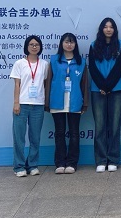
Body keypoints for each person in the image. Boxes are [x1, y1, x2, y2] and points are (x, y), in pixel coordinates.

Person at [88, 17, 121, 173]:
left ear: (115, 29)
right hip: (98, 89)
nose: (108, 29)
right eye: (105, 27)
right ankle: (100, 159)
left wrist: (109, 85)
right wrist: (102, 85)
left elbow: (120, 66)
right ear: (101, 29)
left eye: (111, 27)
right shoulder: (93, 45)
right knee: (100, 126)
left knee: (115, 126)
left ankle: (113, 159)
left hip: (116, 88)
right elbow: (92, 67)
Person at [45, 33, 88, 174]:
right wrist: (47, 102)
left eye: (72, 42)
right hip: (57, 101)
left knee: (74, 133)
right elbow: (49, 81)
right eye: (66, 42)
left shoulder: (81, 62)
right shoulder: (54, 60)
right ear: (61, 44)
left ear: (75, 44)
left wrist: (85, 103)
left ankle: (72, 163)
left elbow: (84, 84)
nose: (69, 45)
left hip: (75, 102)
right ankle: (60, 163)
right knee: (59, 133)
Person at [11, 35, 49, 177]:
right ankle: (19, 166)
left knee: (35, 137)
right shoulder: (19, 63)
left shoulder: (44, 64)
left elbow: (45, 84)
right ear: (26, 46)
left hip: (38, 105)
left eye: (37, 44)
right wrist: (16, 102)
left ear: (40, 47)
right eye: (31, 44)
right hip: (22, 104)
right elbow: (17, 84)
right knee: (19, 137)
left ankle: (32, 165)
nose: (34, 47)